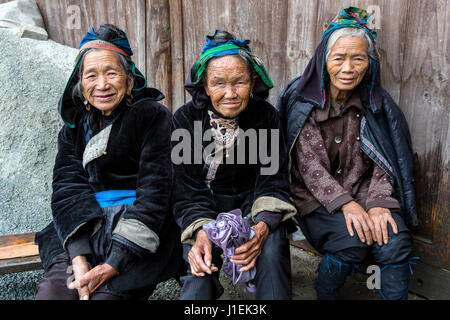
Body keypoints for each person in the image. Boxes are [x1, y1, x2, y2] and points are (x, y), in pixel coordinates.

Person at [277, 7, 418, 300]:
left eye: (358, 58)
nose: (348, 68)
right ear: (323, 60)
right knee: (350, 241)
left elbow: (386, 161)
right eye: (338, 58)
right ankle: (325, 291)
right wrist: (346, 205)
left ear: (370, 63)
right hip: (315, 198)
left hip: (365, 190)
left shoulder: (376, 104)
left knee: (395, 240)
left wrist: (379, 202)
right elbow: (308, 167)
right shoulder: (304, 100)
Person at [35, 24, 182, 300]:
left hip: (136, 232)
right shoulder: (74, 126)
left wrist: (112, 264)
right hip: (84, 227)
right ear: (80, 83)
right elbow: (67, 189)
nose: (101, 84)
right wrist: (79, 260)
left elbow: (156, 194)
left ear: (129, 80)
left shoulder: (153, 118)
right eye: (91, 75)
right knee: (53, 294)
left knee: (106, 296)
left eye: (111, 73)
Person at [172, 29, 297, 300]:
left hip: (253, 207)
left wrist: (262, 227)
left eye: (239, 82)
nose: (230, 93)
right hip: (204, 209)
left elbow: (273, 180)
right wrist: (201, 233)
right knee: (198, 275)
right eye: (218, 83)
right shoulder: (185, 120)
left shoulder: (266, 116)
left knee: (272, 252)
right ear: (205, 86)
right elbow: (186, 189)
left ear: (252, 82)